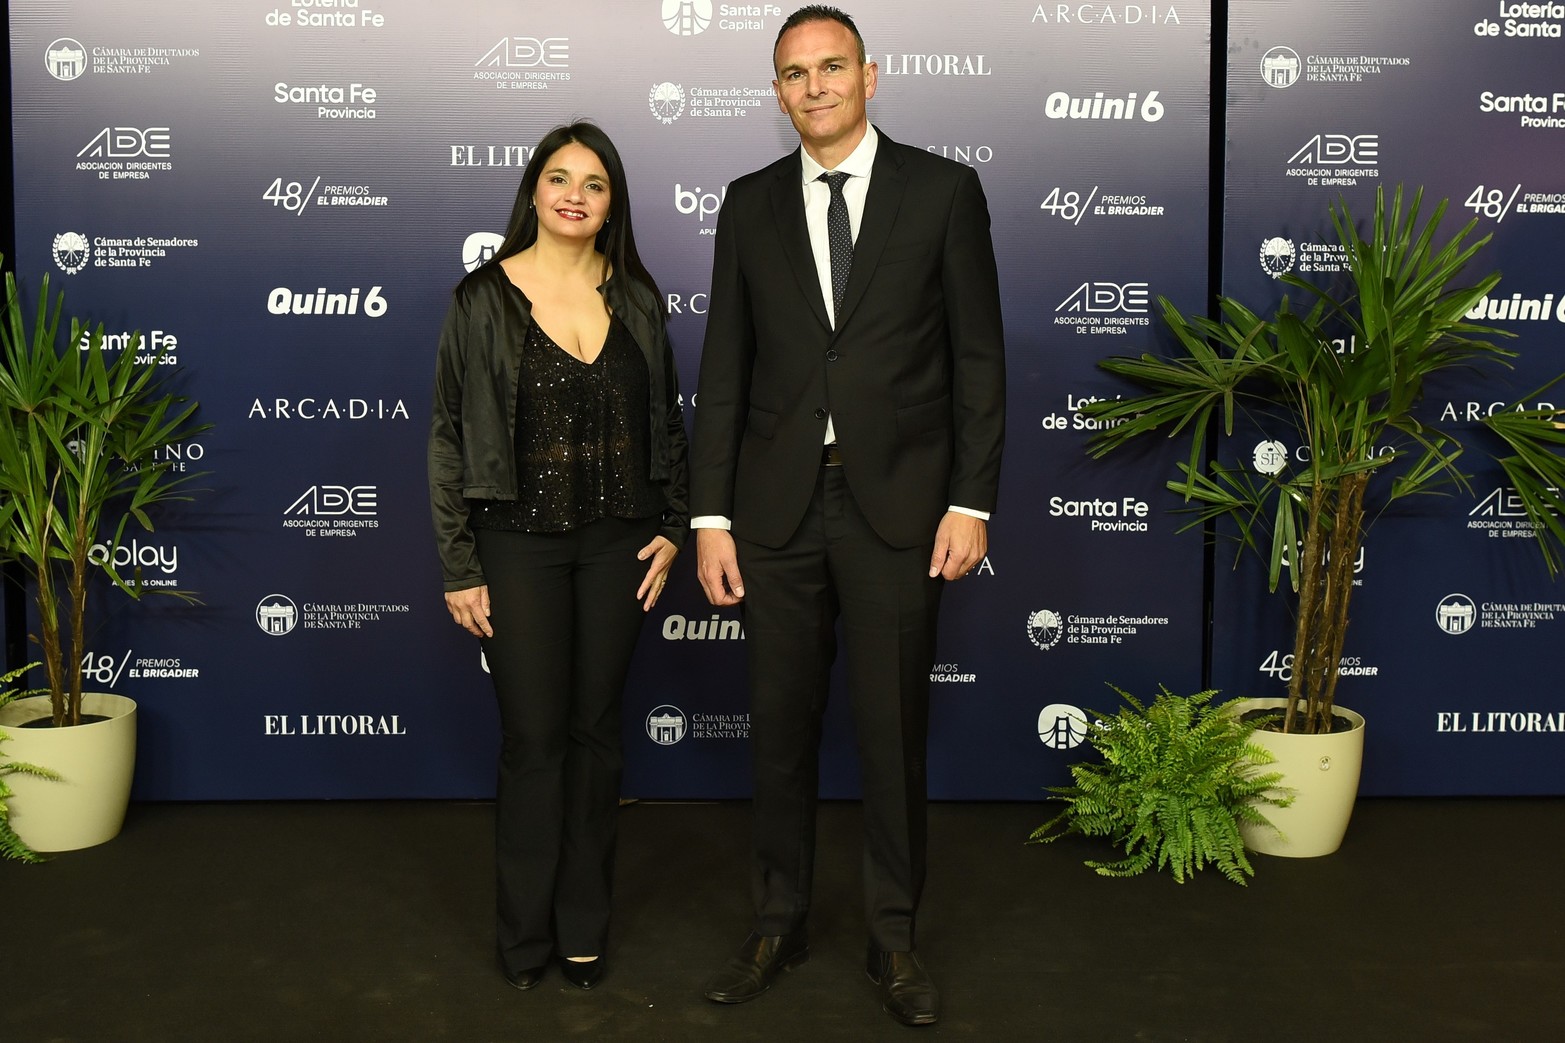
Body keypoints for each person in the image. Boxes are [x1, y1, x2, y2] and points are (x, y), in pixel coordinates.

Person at [689, 6, 1005, 1028]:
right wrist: (709, 516)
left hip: (900, 508)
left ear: (869, 77)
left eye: (831, 67)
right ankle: (775, 921)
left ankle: (893, 933)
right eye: (794, 73)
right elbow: (724, 368)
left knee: (890, 729)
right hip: (774, 510)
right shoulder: (748, 204)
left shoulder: (943, 191)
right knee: (778, 729)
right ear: (776, 92)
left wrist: (968, 500)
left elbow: (976, 359)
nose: (814, 85)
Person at [428, 121, 688, 993]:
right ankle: (523, 932)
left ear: (612, 203)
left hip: (620, 543)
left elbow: (669, 422)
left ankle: (583, 927)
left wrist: (675, 521)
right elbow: (447, 436)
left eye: (594, 183)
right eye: (559, 178)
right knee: (535, 739)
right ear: (534, 192)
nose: (575, 195)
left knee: (596, 737)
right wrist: (460, 563)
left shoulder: (638, 297)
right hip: (516, 546)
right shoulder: (481, 298)